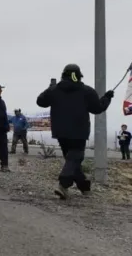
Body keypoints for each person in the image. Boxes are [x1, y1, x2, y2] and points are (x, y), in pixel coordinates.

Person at [36, 64, 113, 199]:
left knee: (72, 159)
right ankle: (63, 185)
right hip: (79, 131)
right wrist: (107, 98)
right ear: (78, 76)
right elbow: (97, 109)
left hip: (60, 131)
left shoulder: (54, 90)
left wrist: (50, 87)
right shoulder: (87, 91)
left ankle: (84, 187)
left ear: (63, 75)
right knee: (74, 158)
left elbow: (41, 102)